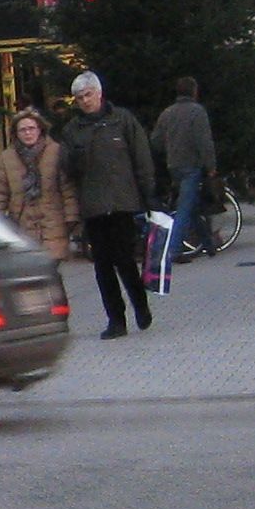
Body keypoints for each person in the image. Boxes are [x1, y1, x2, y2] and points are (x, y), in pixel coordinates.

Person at [58, 69, 159, 337]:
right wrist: (74, 160)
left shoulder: (122, 120)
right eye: (79, 97)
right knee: (102, 266)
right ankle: (116, 319)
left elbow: (141, 157)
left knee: (125, 260)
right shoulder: (72, 130)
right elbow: (65, 168)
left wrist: (149, 193)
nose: (84, 101)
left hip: (122, 201)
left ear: (99, 93)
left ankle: (141, 305)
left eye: (88, 95)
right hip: (93, 206)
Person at [0, 105, 77, 258]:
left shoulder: (55, 151)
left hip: (53, 224)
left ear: (40, 129)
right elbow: (0, 194)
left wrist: (71, 218)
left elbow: (67, 188)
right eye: (23, 130)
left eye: (31, 128)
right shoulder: (7, 158)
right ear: (16, 133)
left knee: (51, 270)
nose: (28, 133)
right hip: (22, 225)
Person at [152, 76, 219, 259]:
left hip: (174, 165)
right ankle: (171, 251)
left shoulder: (167, 113)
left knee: (192, 205)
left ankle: (208, 244)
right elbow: (204, 141)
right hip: (192, 165)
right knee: (185, 209)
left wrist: (170, 148)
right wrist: (210, 165)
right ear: (194, 91)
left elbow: (156, 141)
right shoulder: (197, 112)